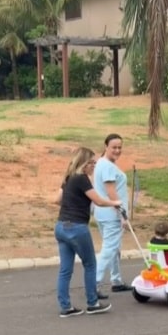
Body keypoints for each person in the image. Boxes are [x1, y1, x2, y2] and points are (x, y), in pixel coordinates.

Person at [54, 146, 121, 317]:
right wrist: (116, 203)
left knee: (65, 270)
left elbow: (57, 200)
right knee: (90, 264)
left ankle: (66, 307)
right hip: (77, 227)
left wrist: (72, 204)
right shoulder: (82, 179)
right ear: (83, 163)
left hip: (61, 226)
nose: (94, 165)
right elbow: (98, 201)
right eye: (91, 162)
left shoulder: (68, 178)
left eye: (95, 162)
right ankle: (93, 302)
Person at [94, 133, 132, 295]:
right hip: (111, 215)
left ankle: (116, 280)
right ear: (106, 147)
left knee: (115, 248)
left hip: (102, 213)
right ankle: (94, 283)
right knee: (109, 249)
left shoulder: (102, 163)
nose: (117, 150)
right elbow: (111, 193)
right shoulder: (107, 166)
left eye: (119, 147)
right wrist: (122, 214)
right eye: (114, 147)